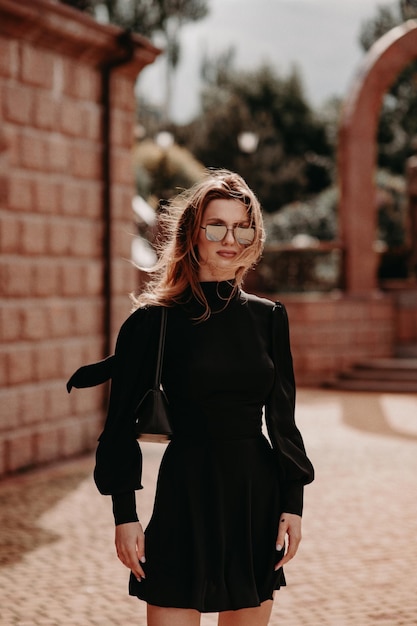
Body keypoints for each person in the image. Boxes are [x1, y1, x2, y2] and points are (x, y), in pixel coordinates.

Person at [67, 169, 314, 626]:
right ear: (193, 234)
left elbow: (283, 421)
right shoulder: (153, 323)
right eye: (216, 225)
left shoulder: (269, 318)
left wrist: (292, 504)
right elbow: (119, 426)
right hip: (185, 492)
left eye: (243, 226)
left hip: (253, 498)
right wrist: (125, 515)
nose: (230, 238)